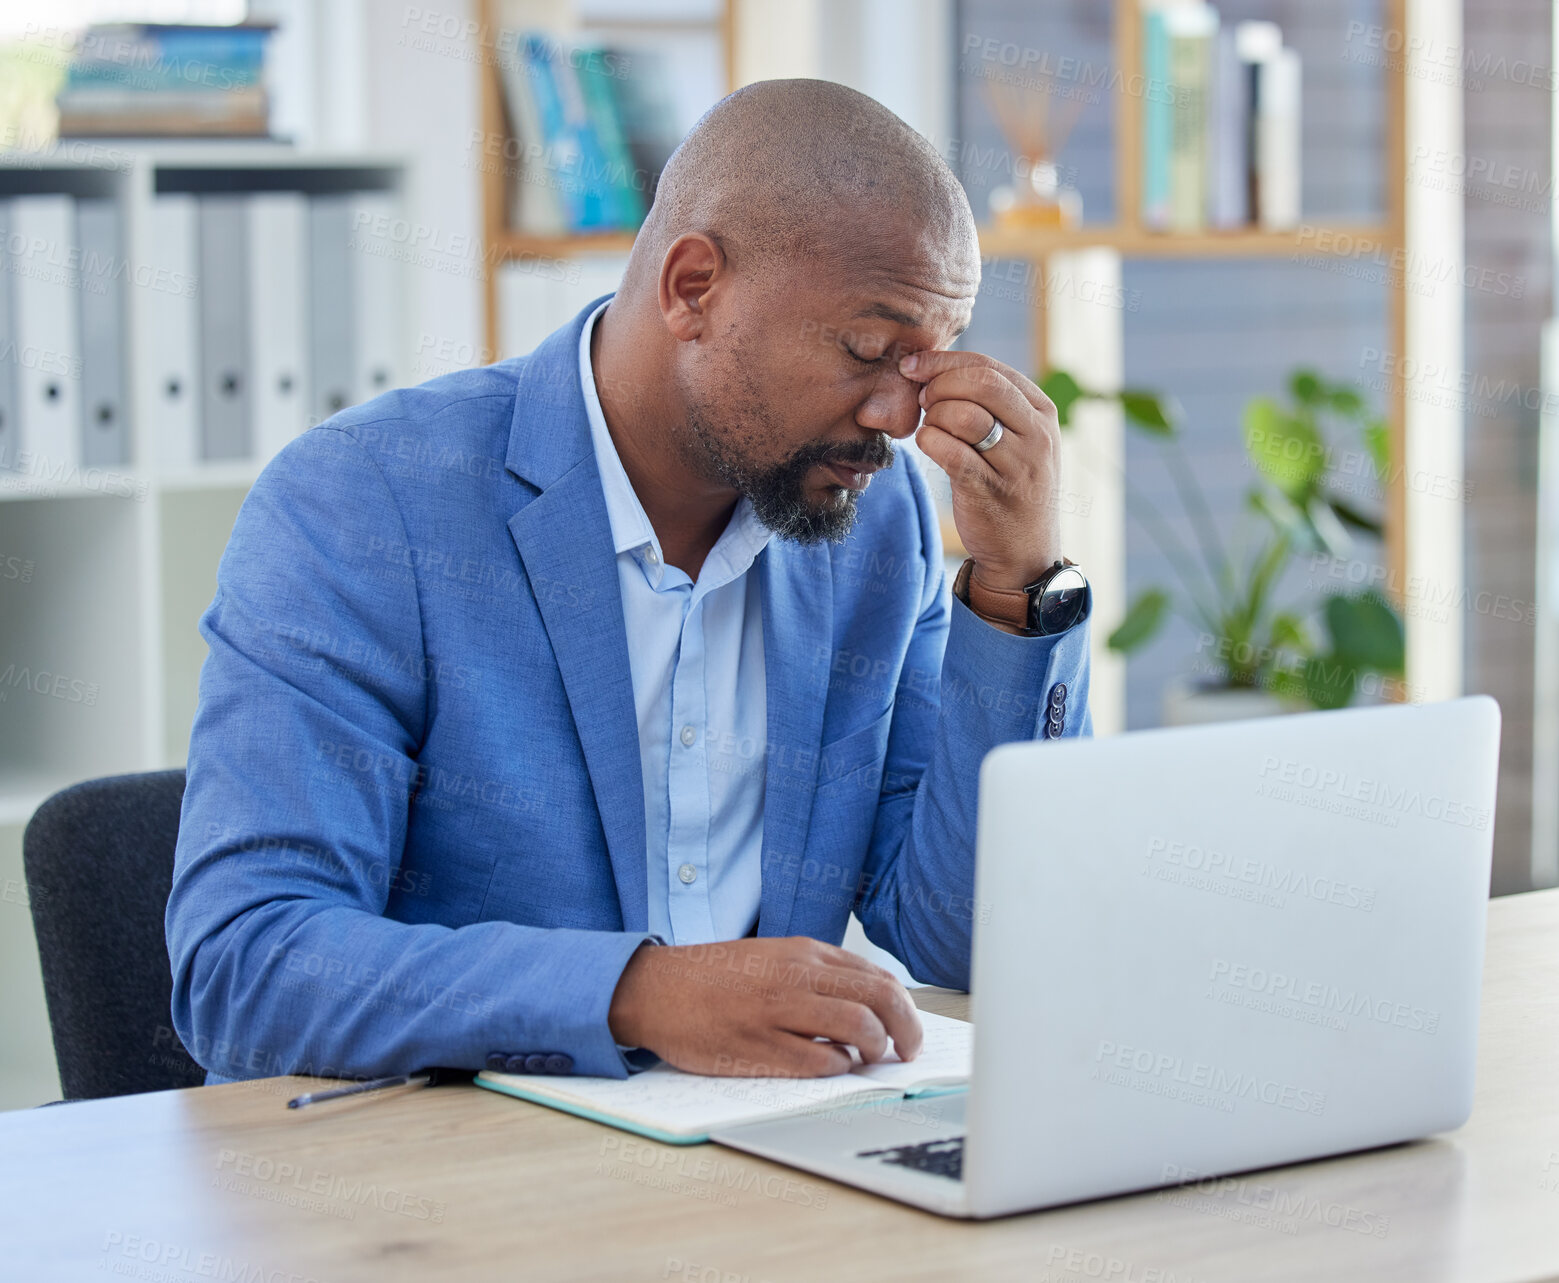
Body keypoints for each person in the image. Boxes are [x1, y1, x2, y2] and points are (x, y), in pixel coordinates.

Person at [166, 79, 1092, 1086]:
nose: (899, 417)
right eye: (868, 350)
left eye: (928, 362)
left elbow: (964, 938)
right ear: (692, 287)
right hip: (443, 1191)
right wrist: (639, 993)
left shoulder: (879, 528)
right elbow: (244, 966)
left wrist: (1015, 584)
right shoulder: (363, 503)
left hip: (758, 1168)